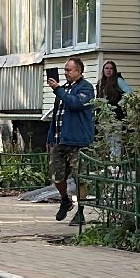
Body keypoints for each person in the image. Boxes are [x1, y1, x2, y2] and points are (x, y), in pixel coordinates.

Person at [46, 57, 95, 225]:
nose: (66, 73)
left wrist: (58, 90)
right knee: (56, 176)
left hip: (78, 141)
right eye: (65, 70)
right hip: (60, 140)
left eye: (69, 70)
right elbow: (57, 115)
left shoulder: (86, 88)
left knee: (79, 178)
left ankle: (80, 212)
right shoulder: (63, 89)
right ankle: (65, 200)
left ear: (79, 71)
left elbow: (75, 104)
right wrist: (50, 137)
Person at [98, 60, 133, 159]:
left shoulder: (118, 80)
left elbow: (129, 92)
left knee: (116, 140)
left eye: (111, 68)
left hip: (116, 115)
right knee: (107, 141)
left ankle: (115, 162)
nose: (109, 70)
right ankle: (110, 162)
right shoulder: (101, 83)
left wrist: (119, 103)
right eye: (106, 68)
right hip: (105, 116)